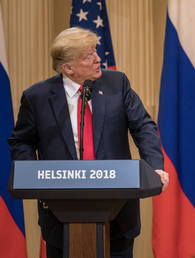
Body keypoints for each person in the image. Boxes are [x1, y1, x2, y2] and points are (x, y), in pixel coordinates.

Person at [8, 27, 168, 258]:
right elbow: (21, 141)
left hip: (118, 211)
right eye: (87, 55)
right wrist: (34, 175)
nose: (97, 59)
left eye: (95, 51)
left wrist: (155, 167)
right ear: (68, 68)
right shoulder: (37, 97)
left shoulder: (117, 84)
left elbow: (143, 126)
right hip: (60, 215)